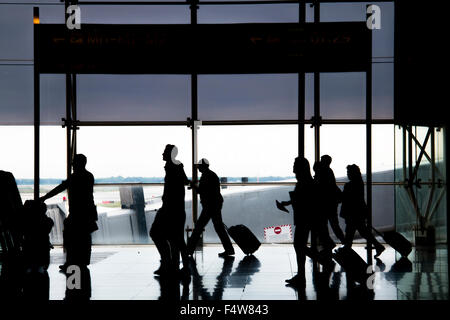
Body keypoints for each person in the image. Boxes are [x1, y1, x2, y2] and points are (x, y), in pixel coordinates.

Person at [276, 157, 332, 288]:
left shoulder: (303, 182)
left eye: (295, 164)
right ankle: (303, 274)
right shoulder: (307, 181)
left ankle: (313, 266)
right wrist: (289, 202)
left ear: (300, 167)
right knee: (299, 245)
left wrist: (290, 202)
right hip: (307, 217)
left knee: (298, 245)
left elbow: (304, 199)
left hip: (304, 218)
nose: (293, 167)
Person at [40, 154, 98, 272]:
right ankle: (82, 262)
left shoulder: (75, 177)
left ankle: (71, 262)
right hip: (87, 212)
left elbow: (59, 188)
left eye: (73, 162)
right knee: (84, 238)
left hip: (77, 213)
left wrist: (44, 197)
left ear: (78, 163)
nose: (72, 165)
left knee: (71, 237)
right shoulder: (88, 176)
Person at [150, 144, 190, 277]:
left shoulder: (173, 166)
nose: (162, 154)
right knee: (176, 239)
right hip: (174, 209)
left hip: (170, 209)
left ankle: (169, 264)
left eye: (164, 152)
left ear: (170, 154)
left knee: (158, 234)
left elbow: (178, 184)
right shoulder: (175, 166)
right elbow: (185, 181)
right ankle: (175, 265)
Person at [186, 158, 234, 257]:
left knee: (199, 227)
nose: (198, 168)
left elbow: (201, 191)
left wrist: (193, 185)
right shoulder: (211, 175)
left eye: (199, 166)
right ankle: (229, 249)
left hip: (210, 206)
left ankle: (189, 250)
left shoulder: (206, 176)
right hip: (214, 205)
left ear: (203, 167)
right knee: (219, 228)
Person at [340, 164, 385, 258]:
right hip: (359, 212)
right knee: (361, 231)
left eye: (348, 172)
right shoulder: (359, 183)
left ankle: (347, 248)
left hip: (352, 213)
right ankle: (377, 245)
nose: (347, 174)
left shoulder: (349, 185)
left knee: (351, 231)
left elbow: (345, 198)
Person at [319, 155, 346, 243]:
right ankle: (343, 242)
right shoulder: (329, 171)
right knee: (334, 225)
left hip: (326, 203)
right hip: (331, 203)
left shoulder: (324, 172)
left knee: (326, 225)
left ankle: (330, 243)